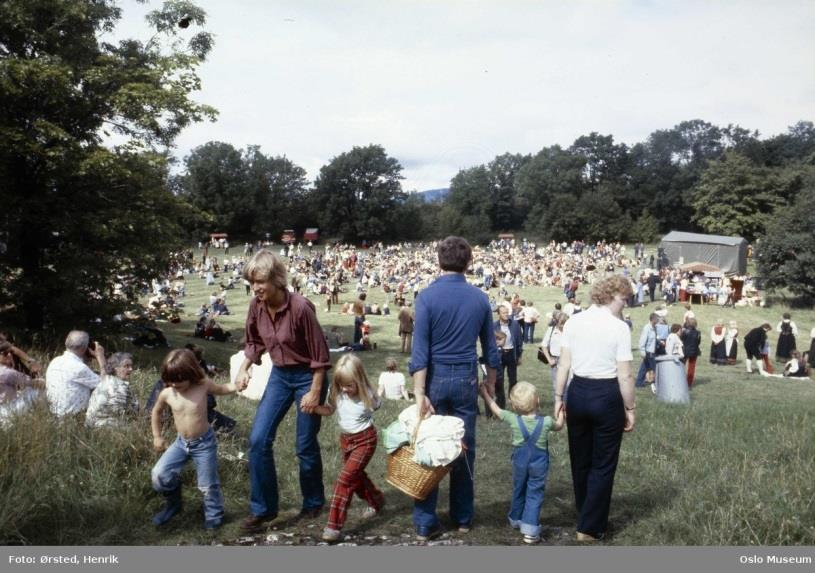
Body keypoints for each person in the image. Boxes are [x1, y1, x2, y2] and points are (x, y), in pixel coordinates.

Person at [409, 236, 499, 541]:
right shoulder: (479, 298)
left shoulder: (426, 297)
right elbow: (491, 348)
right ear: (469, 262)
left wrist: (419, 394)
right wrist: (491, 386)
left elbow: (419, 352)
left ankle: (424, 522)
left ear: (438, 260)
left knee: (428, 449)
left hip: (433, 378)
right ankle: (462, 517)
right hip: (465, 377)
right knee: (464, 448)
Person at [236, 249, 332, 532]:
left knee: (304, 445)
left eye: (261, 281)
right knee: (258, 440)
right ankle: (263, 509)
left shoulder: (301, 307)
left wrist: (315, 393)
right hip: (280, 375)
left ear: (277, 279)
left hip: (308, 376)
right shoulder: (256, 306)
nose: (256, 288)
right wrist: (244, 367)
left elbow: (320, 357)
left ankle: (313, 502)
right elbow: (254, 342)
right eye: (252, 282)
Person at [553, 275, 636, 542]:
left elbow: (563, 365)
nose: (625, 305)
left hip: (577, 392)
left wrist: (558, 397)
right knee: (603, 463)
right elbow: (625, 376)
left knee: (581, 459)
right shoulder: (619, 328)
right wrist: (630, 407)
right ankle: (590, 527)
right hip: (606, 394)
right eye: (624, 300)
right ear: (612, 296)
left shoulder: (574, 321)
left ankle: (585, 514)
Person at [150, 349, 246, 529]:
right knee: (159, 474)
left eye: (179, 381)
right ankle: (174, 504)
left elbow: (222, 389)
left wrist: (237, 385)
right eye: (170, 380)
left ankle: (214, 516)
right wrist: (157, 436)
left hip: (204, 444)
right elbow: (156, 412)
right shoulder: (168, 393)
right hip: (180, 443)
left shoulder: (203, 385)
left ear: (191, 373)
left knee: (207, 485)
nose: (174, 384)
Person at [480, 381, 564, 544]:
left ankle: (516, 518)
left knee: (519, 487)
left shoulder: (512, 419)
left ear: (514, 406)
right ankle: (530, 530)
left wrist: (485, 394)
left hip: (520, 461)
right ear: (538, 401)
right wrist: (561, 413)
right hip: (539, 464)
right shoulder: (546, 421)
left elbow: (496, 409)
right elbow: (559, 426)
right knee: (534, 493)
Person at [312, 354, 385, 543]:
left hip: (365, 441)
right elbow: (329, 410)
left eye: (349, 385)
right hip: (346, 441)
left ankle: (333, 526)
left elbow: (377, 405)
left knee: (344, 480)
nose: (345, 389)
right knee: (356, 477)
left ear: (359, 380)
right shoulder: (336, 391)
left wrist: (374, 393)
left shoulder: (367, 394)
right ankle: (377, 500)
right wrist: (314, 408)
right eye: (342, 385)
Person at [45, 331, 106, 417]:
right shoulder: (79, 368)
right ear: (84, 348)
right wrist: (100, 357)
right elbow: (107, 384)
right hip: (73, 418)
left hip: (55, 414)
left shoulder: (54, 361)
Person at [85, 352, 138, 428]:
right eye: (126, 366)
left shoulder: (106, 379)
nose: (131, 369)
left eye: (131, 366)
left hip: (92, 424)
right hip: (106, 429)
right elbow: (123, 414)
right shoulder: (119, 388)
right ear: (115, 368)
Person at [495, 303, 523, 396]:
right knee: (499, 379)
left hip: (511, 354)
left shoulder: (514, 324)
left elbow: (519, 340)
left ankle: (513, 398)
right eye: (503, 313)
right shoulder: (494, 326)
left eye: (507, 312)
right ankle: (500, 400)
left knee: (513, 379)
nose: (506, 314)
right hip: (499, 355)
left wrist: (519, 356)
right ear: (498, 314)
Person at [540, 312, 567, 399]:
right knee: (557, 386)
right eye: (561, 323)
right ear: (556, 322)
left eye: (565, 323)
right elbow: (544, 345)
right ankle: (559, 408)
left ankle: (567, 409)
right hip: (555, 361)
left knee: (568, 387)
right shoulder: (551, 330)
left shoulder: (570, 330)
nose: (563, 325)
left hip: (567, 360)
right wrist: (549, 360)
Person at [635, 313, 658, 388]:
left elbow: (653, 339)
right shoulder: (647, 328)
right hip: (648, 353)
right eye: (657, 318)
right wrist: (643, 353)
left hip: (652, 352)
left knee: (644, 368)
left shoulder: (654, 328)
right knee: (655, 368)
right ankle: (657, 383)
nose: (658, 320)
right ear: (653, 319)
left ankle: (639, 383)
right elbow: (642, 341)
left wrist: (659, 342)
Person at [679, 318, 702, 388]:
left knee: (681, 366)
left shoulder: (685, 332)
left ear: (687, 324)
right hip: (694, 351)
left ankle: (680, 380)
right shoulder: (698, 332)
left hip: (685, 351)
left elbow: (681, 340)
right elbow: (698, 342)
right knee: (691, 367)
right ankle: (689, 383)